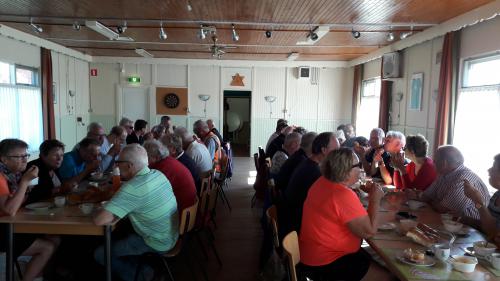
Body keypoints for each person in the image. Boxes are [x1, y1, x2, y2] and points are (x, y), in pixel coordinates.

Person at [93, 144, 179, 281]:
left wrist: (97, 209)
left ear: (129, 166)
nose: (116, 166)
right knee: (122, 235)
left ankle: (144, 275)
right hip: (171, 235)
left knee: (101, 253)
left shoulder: (133, 188)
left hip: (157, 242)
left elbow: (99, 220)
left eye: (118, 162)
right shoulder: (157, 174)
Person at [299, 148, 385, 281]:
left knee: (372, 258)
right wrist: (375, 199)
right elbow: (369, 232)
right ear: (345, 172)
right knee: (388, 276)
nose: (361, 169)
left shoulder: (321, 182)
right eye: (358, 166)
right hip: (328, 262)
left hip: (312, 254)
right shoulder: (342, 194)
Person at [0, 139, 59, 281]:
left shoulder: (13, 175)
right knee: (48, 246)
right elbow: (9, 210)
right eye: (19, 157)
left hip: (11, 226)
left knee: (54, 237)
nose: (25, 160)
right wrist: (25, 183)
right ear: (4, 159)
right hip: (2, 233)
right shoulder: (1, 178)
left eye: (26, 155)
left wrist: (25, 189)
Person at [409, 145, 490, 221]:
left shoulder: (463, 178)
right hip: (450, 221)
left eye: (435, 160)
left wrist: (430, 201)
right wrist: (430, 200)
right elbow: (426, 196)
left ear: (444, 163)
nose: (433, 162)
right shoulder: (443, 174)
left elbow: (442, 209)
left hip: (471, 229)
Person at [280, 132, 339, 236]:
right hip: (298, 226)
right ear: (324, 150)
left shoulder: (307, 163)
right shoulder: (314, 172)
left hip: (290, 219)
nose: (338, 154)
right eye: (336, 150)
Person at [143, 140, 197, 212]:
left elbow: (149, 193)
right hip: (187, 207)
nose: (144, 161)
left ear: (155, 157)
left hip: (180, 210)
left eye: (146, 157)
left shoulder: (162, 168)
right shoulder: (168, 160)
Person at [464, 154, 500, 238]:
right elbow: (488, 224)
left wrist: (478, 201)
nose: (489, 170)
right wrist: (467, 220)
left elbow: (493, 232)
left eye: (494, 168)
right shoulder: (497, 195)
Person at [25, 139, 65, 204]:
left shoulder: (54, 167)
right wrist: (53, 191)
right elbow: (30, 196)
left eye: (61, 155)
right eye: (55, 155)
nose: (59, 159)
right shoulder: (33, 169)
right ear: (43, 155)